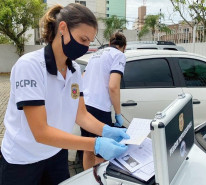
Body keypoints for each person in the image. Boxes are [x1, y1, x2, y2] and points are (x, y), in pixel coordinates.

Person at [0, 3, 129, 185]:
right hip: (23, 160)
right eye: (83, 39)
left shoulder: (75, 70)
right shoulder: (30, 66)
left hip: (56, 153)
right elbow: (40, 132)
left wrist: (107, 131)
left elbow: (81, 115)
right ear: (63, 28)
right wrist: (96, 144)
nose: (85, 46)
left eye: (89, 42)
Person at [82, 32, 127, 170]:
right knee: (102, 155)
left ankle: (88, 180)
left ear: (109, 43)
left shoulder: (96, 54)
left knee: (88, 146)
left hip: (85, 105)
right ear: (123, 46)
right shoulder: (119, 55)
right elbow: (113, 86)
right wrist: (118, 114)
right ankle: (99, 180)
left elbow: (83, 76)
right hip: (100, 108)